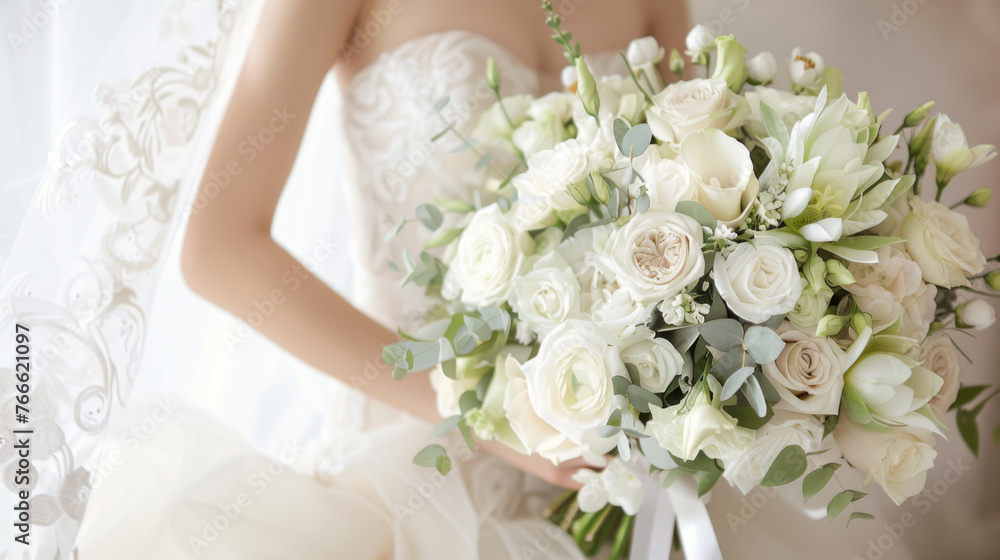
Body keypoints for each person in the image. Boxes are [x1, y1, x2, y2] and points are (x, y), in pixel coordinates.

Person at [69, 0, 690, 558]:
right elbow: (218, 250)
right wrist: (474, 410)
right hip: (401, 471)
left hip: (615, 470)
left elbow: (695, 206)